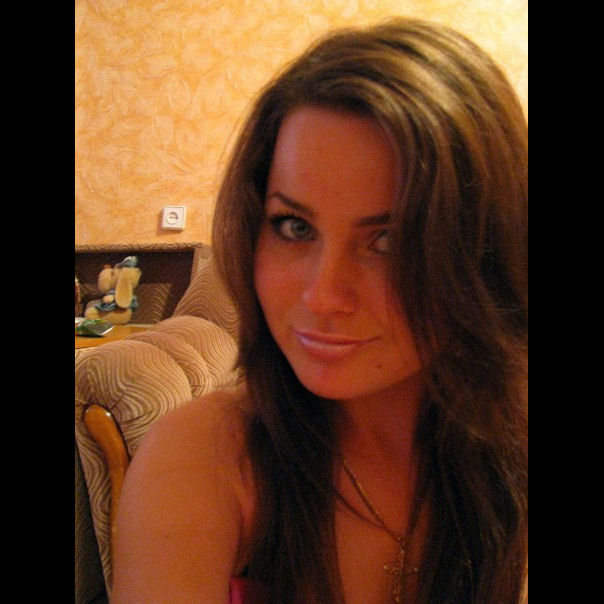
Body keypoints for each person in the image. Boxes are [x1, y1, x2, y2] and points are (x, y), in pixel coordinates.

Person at [112, 17, 528, 604]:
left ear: (484, 249)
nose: (322, 296)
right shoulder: (206, 458)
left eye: (389, 239)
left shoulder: (508, 443)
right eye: (294, 226)